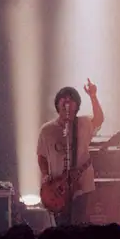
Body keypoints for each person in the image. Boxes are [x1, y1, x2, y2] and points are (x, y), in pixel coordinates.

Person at [37, 79, 103, 225]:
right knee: (62, 227)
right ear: (57, 104)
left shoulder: (84, 123)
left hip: (82, 186)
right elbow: (41, 156)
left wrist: (93, 96)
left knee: (80, 225)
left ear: (77, 105)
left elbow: (99, 119)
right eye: (63, 98)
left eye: (71, 99)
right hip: (58, 188)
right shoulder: (47, 130)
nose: (67, 101)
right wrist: (46, 177)